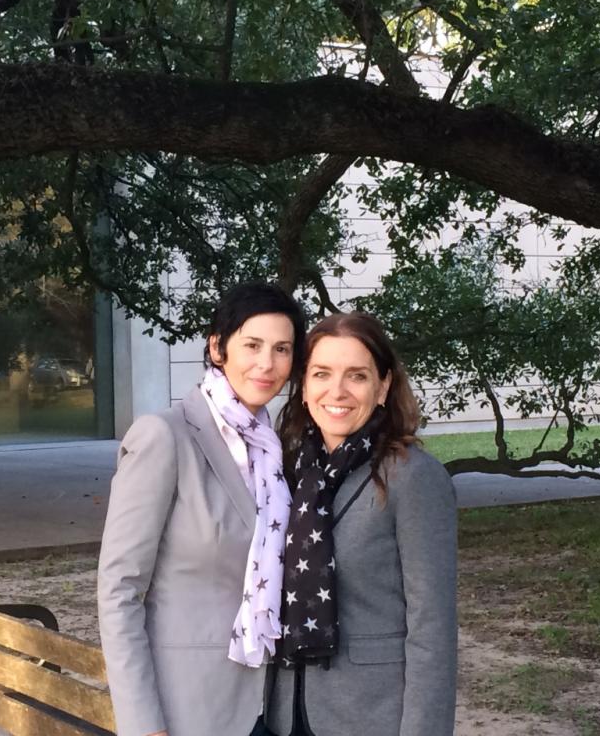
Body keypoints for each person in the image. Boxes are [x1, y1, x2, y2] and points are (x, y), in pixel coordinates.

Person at [97, 282, 306, 736]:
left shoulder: (274, 449)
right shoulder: (164, 436)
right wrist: (142, 724)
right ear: (217, 347)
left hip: (268, 703)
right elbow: (119, 589)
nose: (267, 363)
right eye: (252, 345)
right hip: (186, 707)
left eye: (282, 349)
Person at [264, 312, 457, 736]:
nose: (337, 391)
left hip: (370, 715)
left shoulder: (413, 477)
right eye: (322, 373)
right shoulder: (289, 470)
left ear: (383, 386)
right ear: (304, 386)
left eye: (357, 376)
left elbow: (433, 627)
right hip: (285, 712)